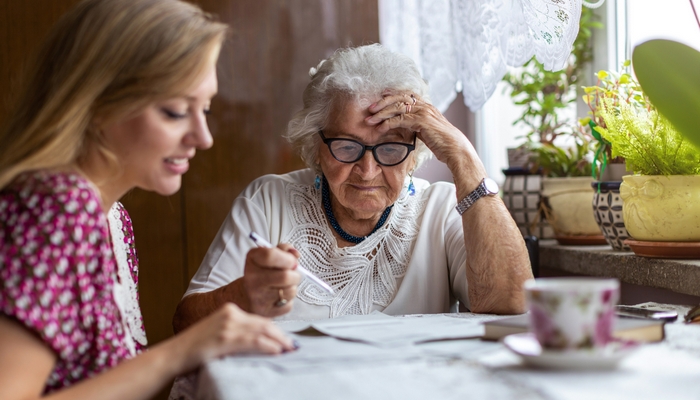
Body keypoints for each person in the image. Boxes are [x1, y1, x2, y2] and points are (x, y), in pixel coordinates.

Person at [0, 0, 296, 399]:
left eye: (205, 108)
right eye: (175, 111)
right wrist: (185, 348)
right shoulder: (55, 211)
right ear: (96, 102)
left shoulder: (112, 218)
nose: (203, 137)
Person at [173, 44, 533, 329]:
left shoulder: (440, 209)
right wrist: (243, 294)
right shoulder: (269, 201)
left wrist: (464, 157)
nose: (367, 170)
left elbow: (514, 304)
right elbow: (186, 323)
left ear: (414, 152)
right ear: (316, 147)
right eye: (347, 147)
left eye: (391, 148)